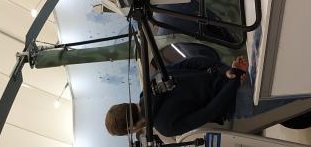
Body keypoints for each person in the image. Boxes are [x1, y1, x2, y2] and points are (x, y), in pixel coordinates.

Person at [105, 55, 250, 138]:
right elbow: (192, 62)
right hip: (234, 73)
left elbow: (209, 112)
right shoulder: (152, 80)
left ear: (131, 128)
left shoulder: (165, 127)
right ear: (127, 104)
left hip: (236, 101)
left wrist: (234, 84)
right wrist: (227, 71)